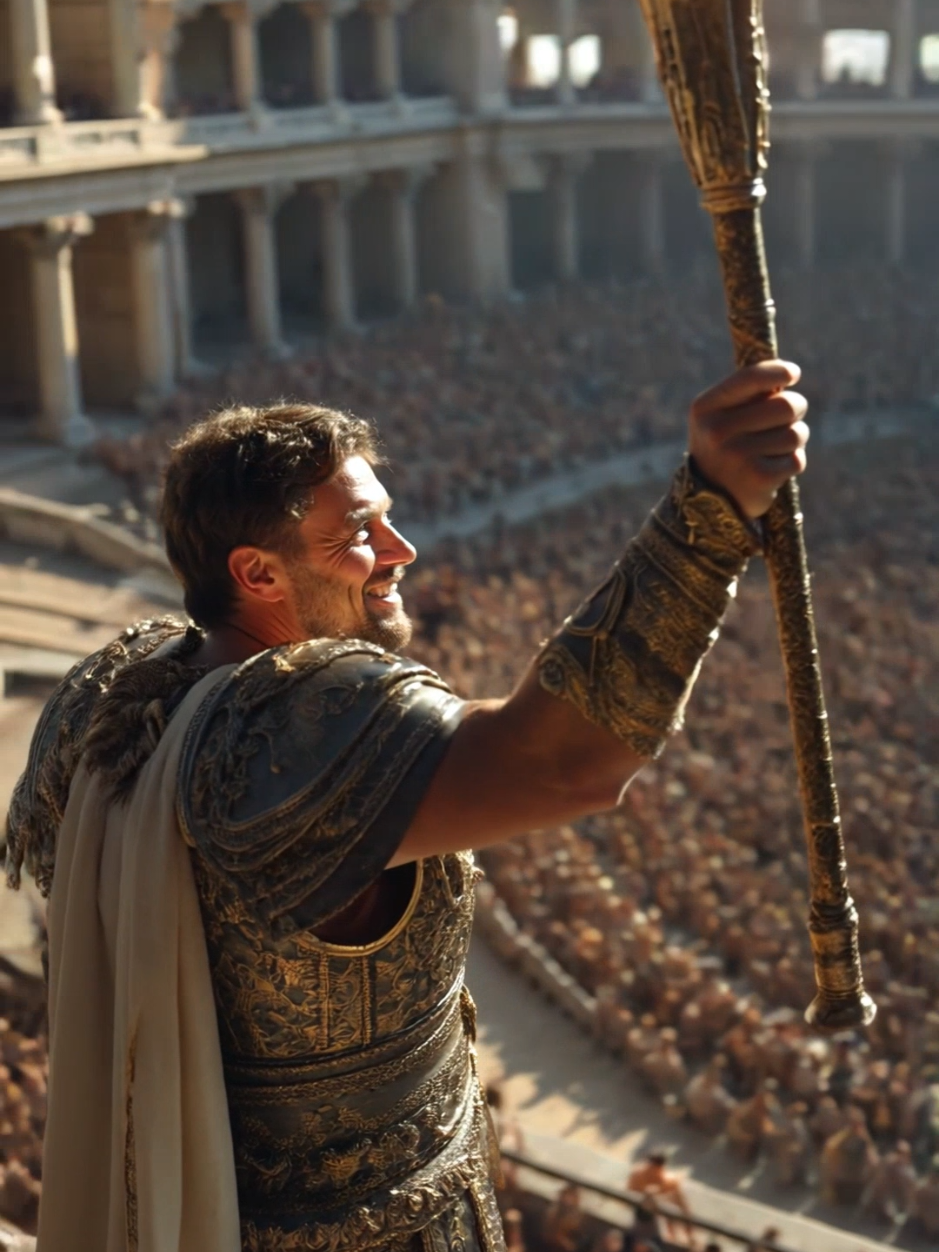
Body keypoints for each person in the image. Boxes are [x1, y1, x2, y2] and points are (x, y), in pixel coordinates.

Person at [6, 359, 810, 1252]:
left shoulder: (99, 694)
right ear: (257, 573)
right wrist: (707, 511)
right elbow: (564, 765)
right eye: (360, 530)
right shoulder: (303, 715)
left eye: (387, 518)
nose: (400, 550)